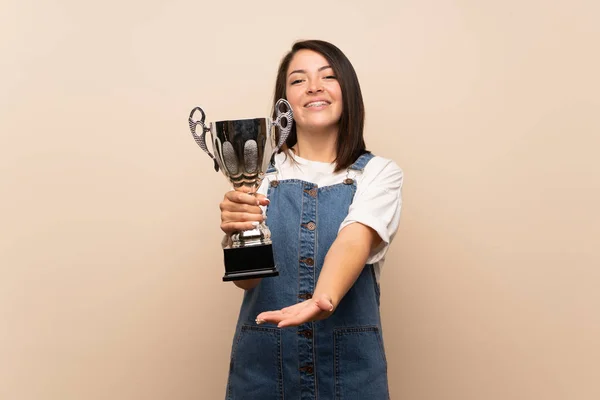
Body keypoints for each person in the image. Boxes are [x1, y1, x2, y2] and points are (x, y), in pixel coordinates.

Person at [218, 39, 403, 400]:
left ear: (347, 91)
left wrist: (323, 298)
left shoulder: (379, 174)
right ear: (283, 103)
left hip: (350, 376)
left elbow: (355, 239)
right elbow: (247, 282)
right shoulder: (260, 176)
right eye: (298, 80)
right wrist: (237, 231)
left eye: (328, 76)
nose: (314, 86)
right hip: (261, 374)